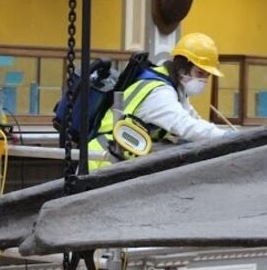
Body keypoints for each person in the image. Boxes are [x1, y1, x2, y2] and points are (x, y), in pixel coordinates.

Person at [88, 32, 229, 169]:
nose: (203, 80)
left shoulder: (175, 88)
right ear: (183, 68)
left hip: (118, 155)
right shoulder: (160, 92)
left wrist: (223, 134)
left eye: (207, 75)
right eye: (200, 73)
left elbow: (194, 120)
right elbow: (185, 126)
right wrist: (227, 138)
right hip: (103, 159)